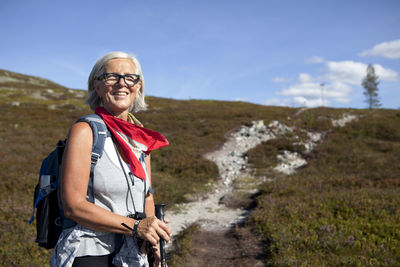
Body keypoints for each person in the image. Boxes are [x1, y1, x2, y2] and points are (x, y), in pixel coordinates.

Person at [50, 51, 171, 267]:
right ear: (97, 85)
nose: (121, 83)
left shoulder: (140, 139)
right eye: (111, 77)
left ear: (138, 86)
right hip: (89, 252)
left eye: (130, 77)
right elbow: (73, 206)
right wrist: (135, 227)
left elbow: (147, 196)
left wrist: (153, 243)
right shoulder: (85, 131)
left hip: (133, 255)